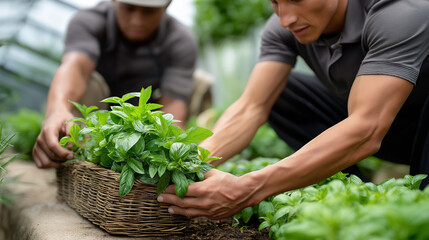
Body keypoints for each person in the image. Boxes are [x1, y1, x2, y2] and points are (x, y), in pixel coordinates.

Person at [157, 0, 429, 220]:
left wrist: (250, 188)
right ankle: (357, 198)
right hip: (383, 126)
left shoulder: (399, 10)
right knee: (282, 91)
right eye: (275, 2)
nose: (285, 18)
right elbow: (251, 107)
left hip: (406, 128)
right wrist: (189, 165)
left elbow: (366, 129)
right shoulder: (284, 28)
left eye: (296, 0)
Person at [33, 0, 197, 169]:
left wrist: (172, 151)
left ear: (167, 4)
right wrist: (57, 109)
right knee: (88, 84)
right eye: (129, 8)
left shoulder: (179, 40)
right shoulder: (89, 20)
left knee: (198, 84)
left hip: (139, 122)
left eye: (149, 12)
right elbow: (77, 67)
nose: (137, 20)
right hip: (95, 112)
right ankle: (76, 162)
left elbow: (173, 103)